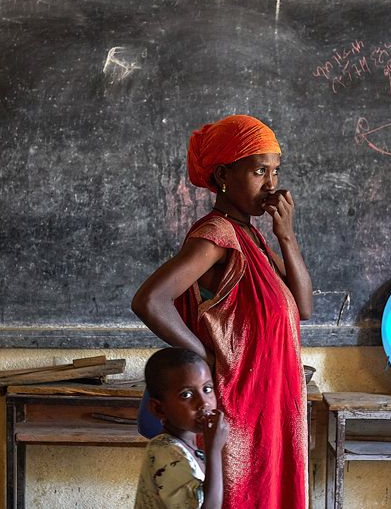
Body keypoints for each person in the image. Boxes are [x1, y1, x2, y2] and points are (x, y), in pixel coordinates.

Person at [132, 114, 313, 509]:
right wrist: (206, 356)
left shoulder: (253, 238)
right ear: (223, 175)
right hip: (241, 408)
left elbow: (303, 307)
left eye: (275, 171)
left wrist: (287, 236)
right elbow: (150, 300)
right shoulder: (216, 236)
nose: (271, 184)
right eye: (258, 170)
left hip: (272, 405)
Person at [135, 347, 228, 509]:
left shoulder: (189, 447)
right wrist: (214, 450)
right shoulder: (164, 452)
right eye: (186, 395)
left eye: (207, 389)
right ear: (159, 409)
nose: (203, 403)